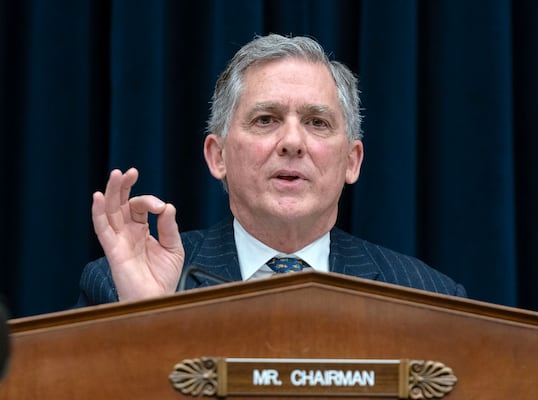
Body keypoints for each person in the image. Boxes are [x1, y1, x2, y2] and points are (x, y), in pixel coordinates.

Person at [76, 34, 466, 307]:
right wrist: (149, 317)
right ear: (218, 156)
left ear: (352, 161)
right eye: (266, 119)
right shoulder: (116, 286)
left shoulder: (428, 297)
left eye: (317, 122)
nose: (292, 142)